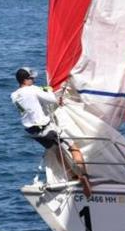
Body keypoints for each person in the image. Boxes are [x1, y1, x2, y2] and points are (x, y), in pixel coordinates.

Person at [11, 67, 92, 196]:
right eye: (31, 78)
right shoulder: (33, 89)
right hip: (46, 127)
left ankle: (72, 176)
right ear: (25, 80)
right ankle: (85, 176)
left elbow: (31, 106)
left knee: (57, 150)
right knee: (73, 147)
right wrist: (48, 90)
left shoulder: (14, 95)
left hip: (33, 132)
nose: (34, 79)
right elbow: (53, 99)